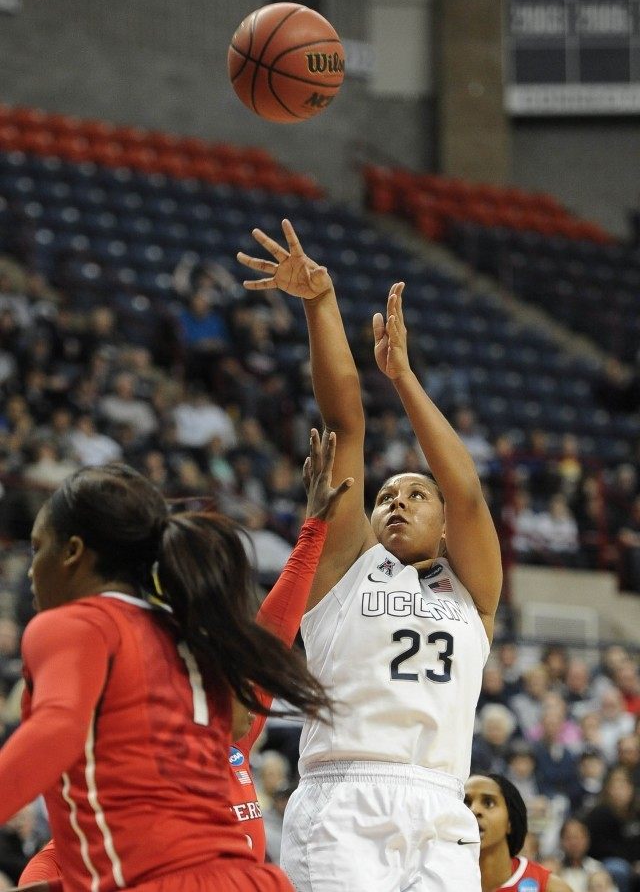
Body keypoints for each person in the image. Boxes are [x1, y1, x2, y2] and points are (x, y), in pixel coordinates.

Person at [238, 219, 503, 891]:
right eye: (386, 494)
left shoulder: (471, 590)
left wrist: (405, 377)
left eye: (418, 494)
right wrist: (321, 304)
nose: (398, 501)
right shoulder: (347, 564)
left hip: (442, 806)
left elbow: (468, 491)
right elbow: (344, 421)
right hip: (345, 798)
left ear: (444, 525)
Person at [0, 449, 347, 892]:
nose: (30, 570)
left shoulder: (77, 623)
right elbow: (271, 634)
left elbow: (56, 730)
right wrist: (313, 529)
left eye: (37, 549)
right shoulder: (194, 638)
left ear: (72, 552)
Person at [464, 774, 573, 892]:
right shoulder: (445, 880)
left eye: (488, 803)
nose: (473, 810)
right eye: (466, 803)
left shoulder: (549, 887)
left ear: (510, 821)